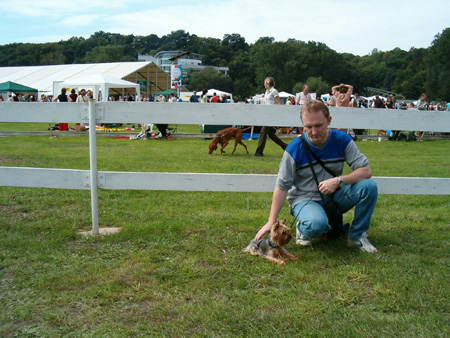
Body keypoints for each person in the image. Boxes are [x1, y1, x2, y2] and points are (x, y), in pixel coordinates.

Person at [254, 100, 378, 253]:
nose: (313, 132)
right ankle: (304, 227)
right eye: (308, 127)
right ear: (303, 125)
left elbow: (365, 171)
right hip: (304, 198)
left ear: (329, 121)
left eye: (318, 126)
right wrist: (271, 221)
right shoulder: (294, 148)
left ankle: (357, 236)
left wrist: (339, 181)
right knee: (316, 224)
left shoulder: (342, 140)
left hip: (334, 195)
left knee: (369, 187)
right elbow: (282, 186)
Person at [253, 77, 288, 157]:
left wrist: (278, 115)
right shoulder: (266, 92)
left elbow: (279, 103)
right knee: (271, 135)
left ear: (268, 83)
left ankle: (259, 152)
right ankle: (286, 147)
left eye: (265, 82)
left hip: (272, 115)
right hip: (267, 114)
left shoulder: (274, 91)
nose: (264, 84)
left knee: (263, 132)